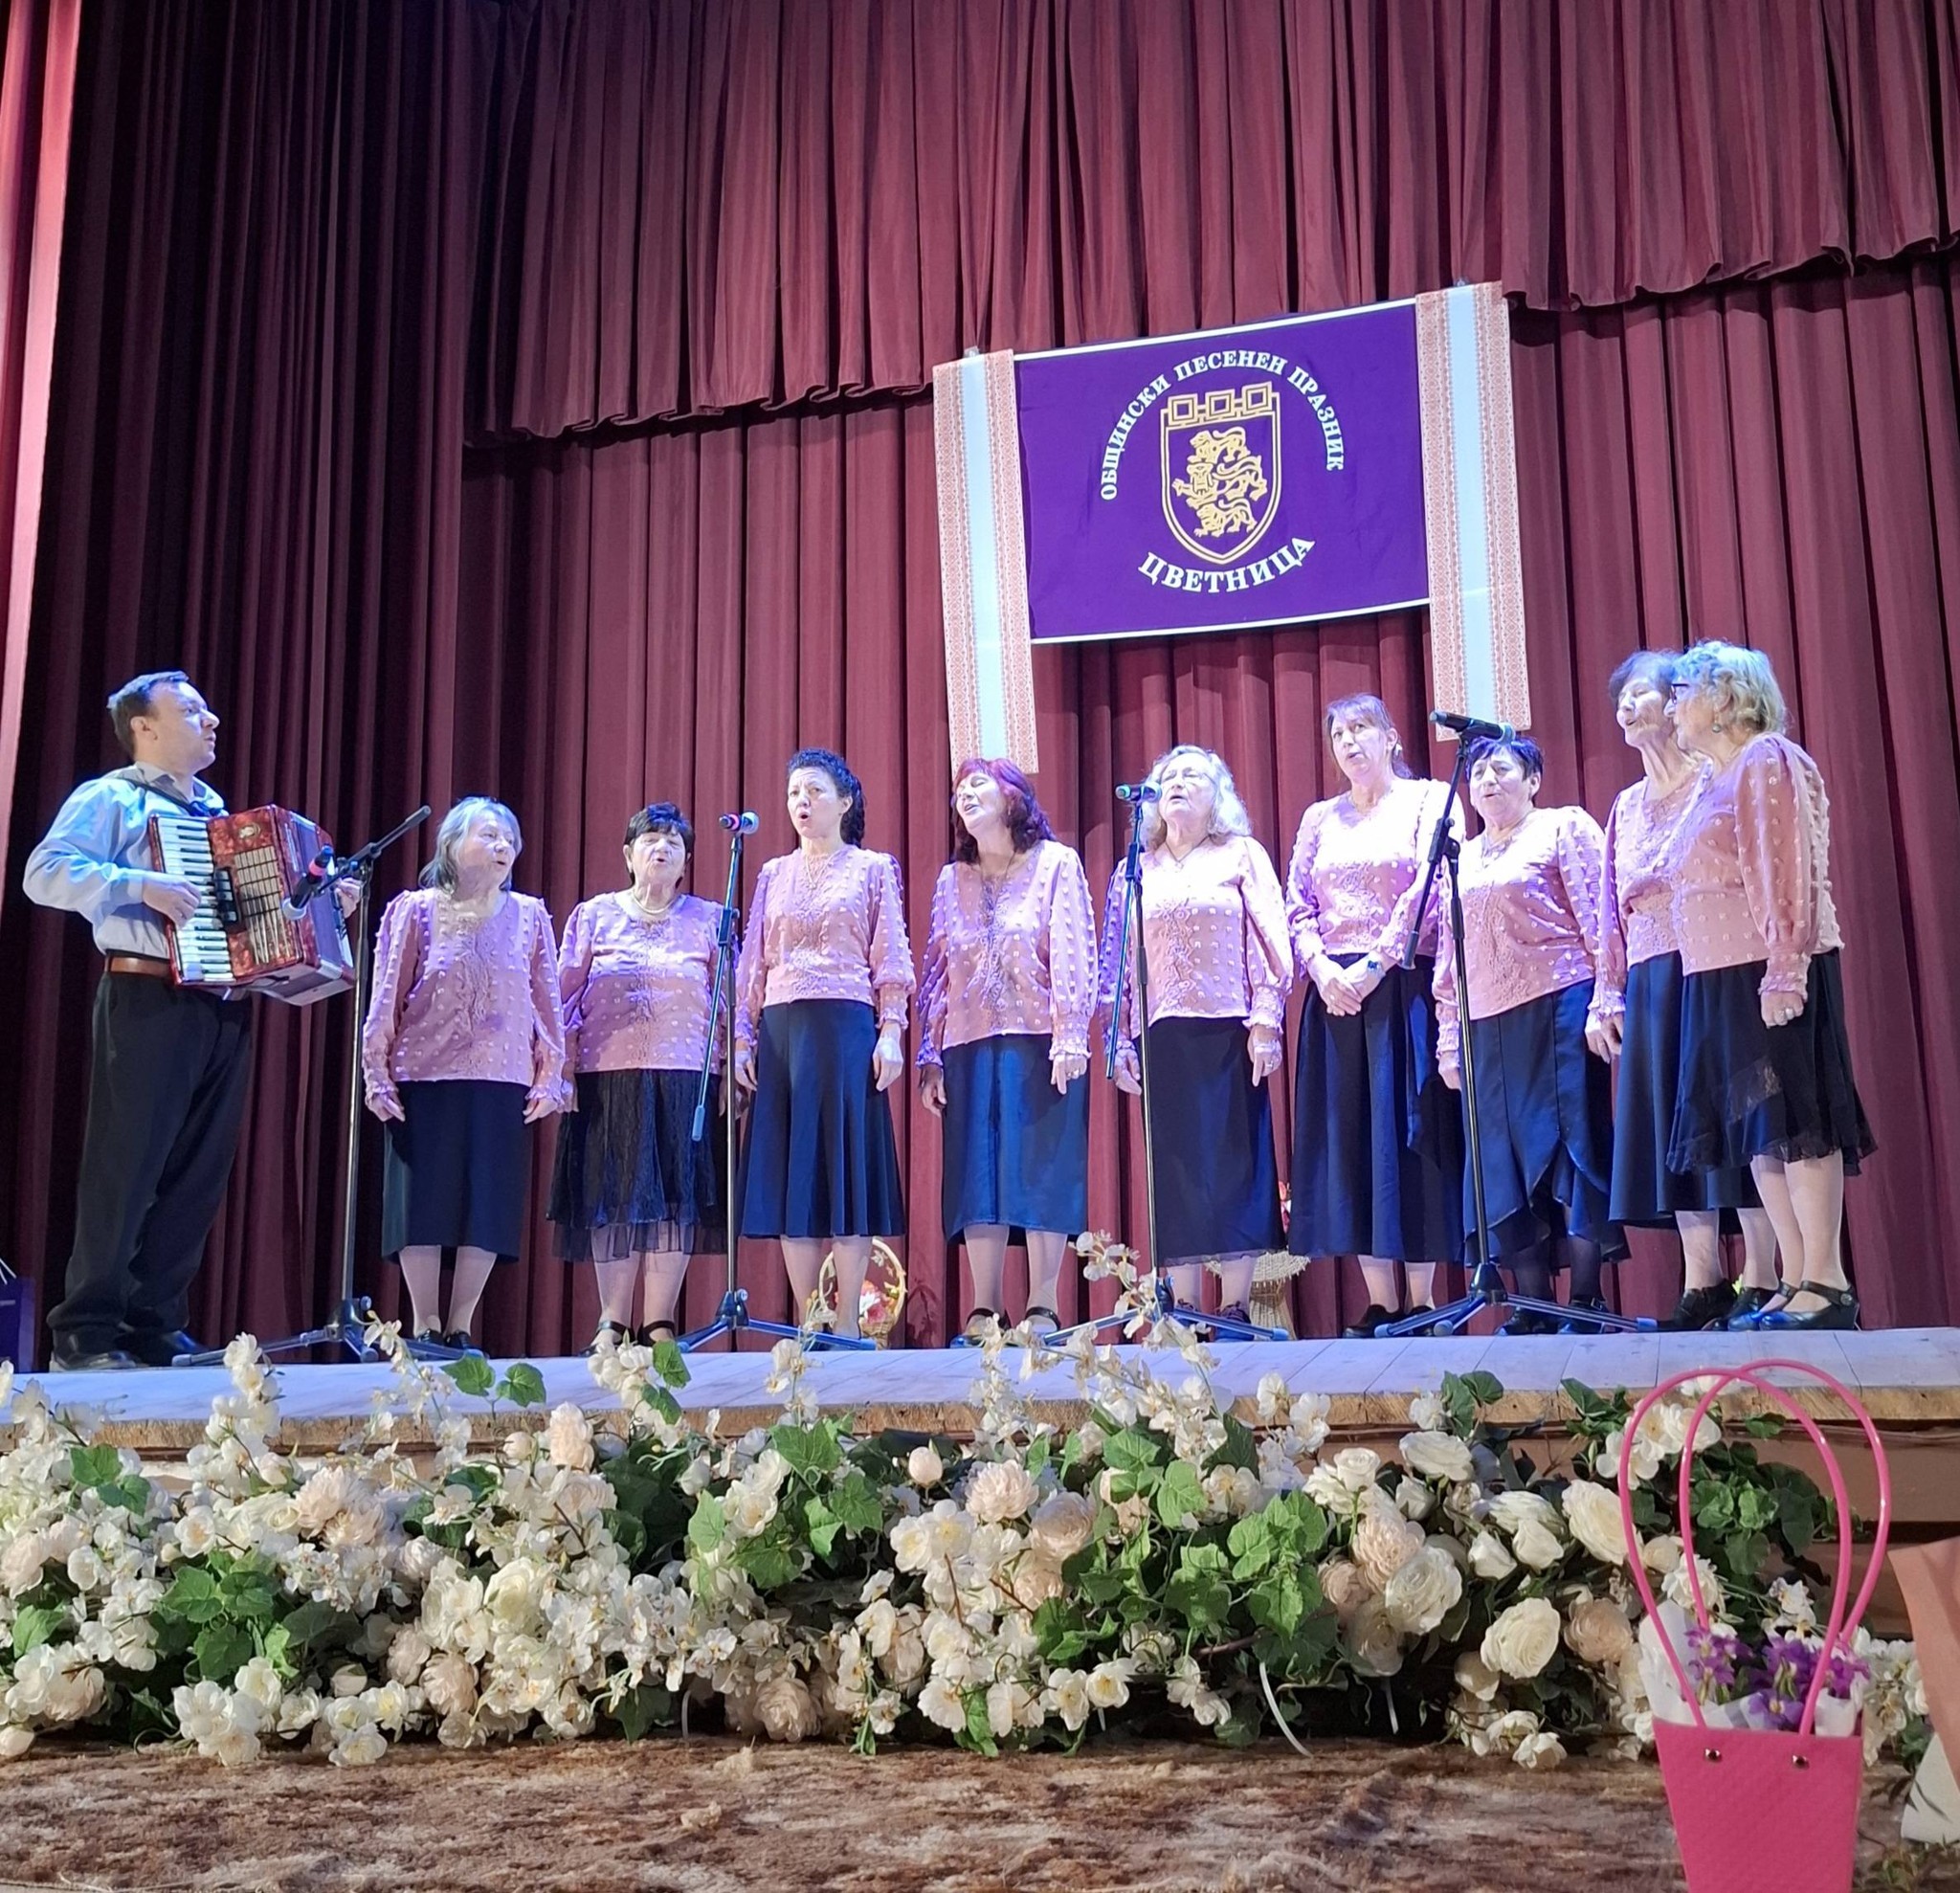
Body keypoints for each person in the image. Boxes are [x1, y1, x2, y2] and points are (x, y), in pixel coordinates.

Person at [24, 673, 252, 1369]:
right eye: (191, 710)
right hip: (144, 993)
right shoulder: (111, 797)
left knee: (195, 1173)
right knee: (125, 1168)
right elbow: (43, 872)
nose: (211, 719)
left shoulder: (216, 812)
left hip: (219, 1003)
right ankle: (84, 1331)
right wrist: (137, 884)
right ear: (144, 728)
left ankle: (153, 1323)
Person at [1664, 640, 1873, 1330]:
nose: (1673, 707)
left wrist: (1785, 966)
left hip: (1766, 966)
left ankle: (1827, 1282)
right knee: (1762, 1131)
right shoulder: (1711, 779)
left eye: (1683, 692)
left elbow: (1783, 864)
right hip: (1719, 974)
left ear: (1724, 698)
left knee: (1799, 1122)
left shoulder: (1765, 758)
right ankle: (1794, 1276)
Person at [1586, 651, 1779, 1329]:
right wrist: (1607, 995)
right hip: (1650, 976)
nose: (1626, 707)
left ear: (1676, 703)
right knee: (1673, 1122)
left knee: (1734, 1112)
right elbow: (1609, 909)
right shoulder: (1625, 805)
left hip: (1714, 962)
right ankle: (1704, 1280)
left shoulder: (1713, 776)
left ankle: (1762, 1274)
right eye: (1620, 699)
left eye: (1639, 693)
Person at [1284, 695, 1464, 1337]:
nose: (1349, 742)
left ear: (1390, 737)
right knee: (1351, 1140)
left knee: (1407, 1134)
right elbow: (1297, 904)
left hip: (1403, 983)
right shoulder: (1318, 818)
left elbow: (1430, 887)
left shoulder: (1428, 799)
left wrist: (1376, 963)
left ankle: (1422, 1299)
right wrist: (1320, 967)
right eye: (1338, 733)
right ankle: (1381, 1301)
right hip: (1334, 995)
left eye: (1361, 728)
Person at [1435, 733, 1623, 1332]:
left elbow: (1600, 917)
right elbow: (1450, 957)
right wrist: (1448, 1036)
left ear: (1533, 780)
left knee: (1571, 1146)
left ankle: (1587, 1300)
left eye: (1502, 769)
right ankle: (1532, 1303)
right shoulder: (1461, 857)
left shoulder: (1563, 827)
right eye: (1478, 774)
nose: (1487, 781)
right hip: (1485, 1022)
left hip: (1559, 1005)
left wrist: (1605, 999)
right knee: (1501, 1161)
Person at [1098, 744, 1290, 1327]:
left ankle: (1234, 1306)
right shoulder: (1135, 868)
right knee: (1174, 1168)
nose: (1178, 783)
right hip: (1160, 1032)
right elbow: (1115, 960)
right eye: (1169, 776)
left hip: (1229, 1028)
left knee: (1236, 1164)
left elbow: (1269, 938)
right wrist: (1118, 1039)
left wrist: (1265, 1021)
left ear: (1218, 797)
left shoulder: (1241, 854)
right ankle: (1181, 1306)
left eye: (1193, 776)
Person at [362, 797, 566, 1347]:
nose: (503, 846)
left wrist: (550, 1073)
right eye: (490, 835)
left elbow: (547, 1001)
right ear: (452, 845)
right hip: (422, 1073)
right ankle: (424, 1323)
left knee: (486, 1205)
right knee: (421, 1203)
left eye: (509, 839)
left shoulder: (529, 915)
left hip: (502, 1076)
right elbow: (386, 996)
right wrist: (376, 1072)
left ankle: (460, 1326)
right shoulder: (415, 909)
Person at [733, 749, 912, 1340]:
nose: (801, 802)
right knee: (796, 1178)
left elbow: (890, 955)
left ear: (845, 801)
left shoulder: (872, 869)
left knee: (846, 1174)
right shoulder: (772, 874)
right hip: (782, 1032)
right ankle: (812, 1319)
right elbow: (753, 963)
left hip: (845, 1028)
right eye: (793, 793)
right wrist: (743, 1039)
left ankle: (849, 1324)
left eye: (813, 791)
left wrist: (891, 1031)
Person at [917, 760, 1097, 1342]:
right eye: (959, 789)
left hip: (1041, 1039)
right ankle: (985, 1308)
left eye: (978, 784)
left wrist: (1071, 1032)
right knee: (979, 1174)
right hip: (968, 1041)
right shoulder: (953, 880)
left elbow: (1073, 946)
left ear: (1013, 797)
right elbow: (937, 968)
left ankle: (1043, 1303)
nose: (964, 794)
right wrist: (930, 1054)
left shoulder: (1055, 863)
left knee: (1043, 1168)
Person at [548, 803, 725, 1351]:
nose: (662, 847)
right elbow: (561, 998)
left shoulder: (710, 919)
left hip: (685, 1075)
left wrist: (728, 1069)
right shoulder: (594, 916)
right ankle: (611, 1320)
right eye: (650, 838)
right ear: (628, 855)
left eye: (674, 842)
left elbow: (728, 1000)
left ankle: (659, 1322)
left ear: (686, 861)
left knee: (675, 1198)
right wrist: (561, 1068)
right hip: (607, 1074)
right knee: (613, 1197)